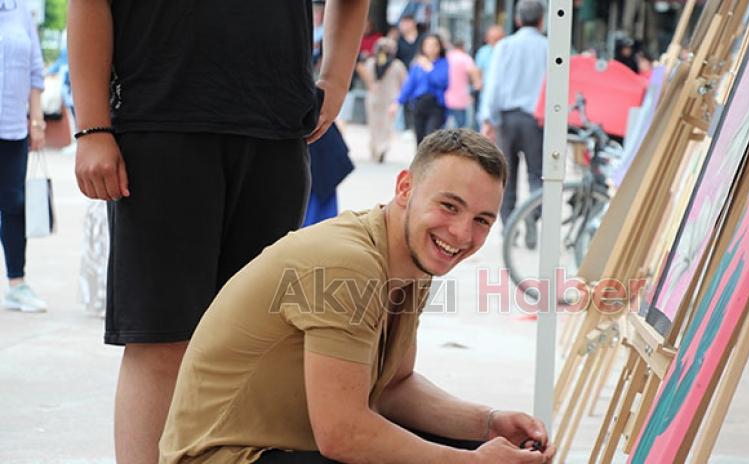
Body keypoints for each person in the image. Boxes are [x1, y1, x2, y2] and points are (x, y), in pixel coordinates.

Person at [67, 0, 370, 462]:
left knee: (256, 346)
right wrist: (91, 126)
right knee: (161, 339)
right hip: (160, 125)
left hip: (275, 133)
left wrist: (335, 80)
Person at [159, 128, 556, 463]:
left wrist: (488, 423)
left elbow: (394, 389)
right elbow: (343, 433)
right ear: (405, 188)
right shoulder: (347, 263)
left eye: (482, 221)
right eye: (449, 206)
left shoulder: (412, 259)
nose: (461, 234)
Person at [480, 0, 547, 248]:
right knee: (538, 175)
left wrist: (489, 119)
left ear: (518, 20)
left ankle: (509, 226)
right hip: (537, 121)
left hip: (507, 119)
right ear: (541, 21)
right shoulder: (550, 48)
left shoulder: (505, 46)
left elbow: (494, 83)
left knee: (506, 176)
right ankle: (532, 215)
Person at [0, 0, 47, 313]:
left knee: (15, 205)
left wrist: (37, 121)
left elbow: (35, 68)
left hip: (13, 127)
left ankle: (17, 283)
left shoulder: (20, 11)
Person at [357, 37, 408, 163]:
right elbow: (405, 82)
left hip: (376, 98)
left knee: (376, 124)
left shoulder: (371, 62)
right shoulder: (397, 65)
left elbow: (365, 75)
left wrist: (371, 85)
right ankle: (381, 147)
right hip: (389, 99)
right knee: (384, 125)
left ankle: (377, 148)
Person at [394, 33, 449, 145]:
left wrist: (429, 68)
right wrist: (398, 101)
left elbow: (441, 81)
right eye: (428, 45)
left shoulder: (443, 64)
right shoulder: (417, 65)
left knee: (431, 138)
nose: (431, 48)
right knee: (419, 139)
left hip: (436, 105)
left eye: (435, 45)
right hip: (419, 104)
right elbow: (409, 84)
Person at [445, 39, 481, 129]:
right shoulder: (465, 58)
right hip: (461, 99)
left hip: (445, 98)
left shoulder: (446, 57)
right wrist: (476, 87)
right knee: (461, 131)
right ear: (463, 47)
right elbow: (475, 75)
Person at [473, 25, 504, 128]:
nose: (497, 42)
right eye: (494, 39)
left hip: (503, 99)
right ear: (487, 39)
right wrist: (478, 82)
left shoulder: (508, 51)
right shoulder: (483, 52)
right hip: (486, 95)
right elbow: (477, 71)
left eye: (499, 38)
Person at [395, 14, 422, 131]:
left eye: (407, 22)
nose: (404, 25)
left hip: (419, 76)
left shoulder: (422, 38)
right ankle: (406, 127)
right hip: (402, 76)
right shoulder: (398, 41)